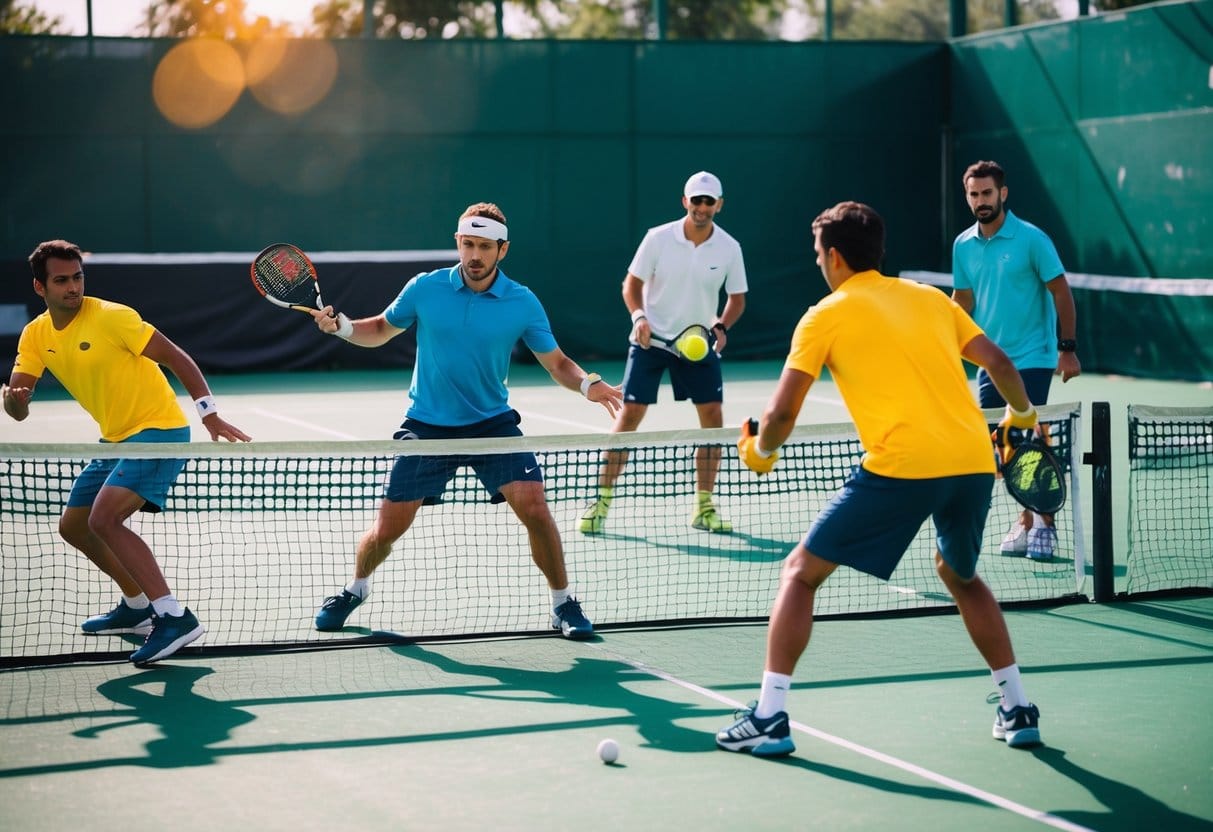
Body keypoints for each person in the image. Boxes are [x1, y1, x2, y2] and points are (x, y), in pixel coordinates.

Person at [716, 202, 1044, 758]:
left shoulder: (824, 314)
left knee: (799, 574)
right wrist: (1023, 419)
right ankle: (1017, 706)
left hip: (901, 466)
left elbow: (779, 415)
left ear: (835, 256)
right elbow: (1002, 366)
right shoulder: (930, 299)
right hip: (969, 461)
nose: (818, 262)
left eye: (819, 253)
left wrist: (760, 450)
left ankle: (769, 716)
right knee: (960, 575)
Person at [309, 202, 623, 639]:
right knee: (386, 529)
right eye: (468, 244)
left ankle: (563, 603)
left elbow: (557, 363)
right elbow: (380, 328)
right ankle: (354, 589)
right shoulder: (426, 288)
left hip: (491, 425)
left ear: (502, 250)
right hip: (427, 425)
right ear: (458, 242)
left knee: (535, 508)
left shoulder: (522, 302)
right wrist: (342, 327)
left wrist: (591, 386)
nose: (475, 255)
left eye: (485, 246)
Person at [2, 239, 252, 666]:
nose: (73, 288)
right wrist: (14, 400)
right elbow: (18, 411)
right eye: (61, 281)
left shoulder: (113, 317)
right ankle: (137, 607)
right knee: (75, 526)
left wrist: (208, 413)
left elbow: (176, 357)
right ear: (40, 288)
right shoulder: (36, 334)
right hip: (116, 439)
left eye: (77, 277)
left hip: (158, 430)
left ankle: (174, 617)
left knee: (105, 519)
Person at [579, 170, 747, 536]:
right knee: (629, 416)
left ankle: (704, 507)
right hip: (650, 342)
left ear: (719, 205)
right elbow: (631, 285)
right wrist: (639, 317)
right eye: (696, 200)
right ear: (685, 202)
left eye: (709, 201)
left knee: (713, 421)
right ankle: (600, 501)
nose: (702, 207)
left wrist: (720, 326)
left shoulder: (730, 247)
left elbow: (737, 298)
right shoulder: (657, 238)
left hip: (697, 344)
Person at [952, 160, 1081, 560]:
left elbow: (1061, 292)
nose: (980, 201)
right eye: (974, 194)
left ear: (1002, 194)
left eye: (987, 193)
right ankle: (1026, 519)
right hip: (990, 360)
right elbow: (963, 302)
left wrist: (1068, 347)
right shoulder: (962, 245)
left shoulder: (1032, 239)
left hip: (1034, 357)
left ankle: (1045, 523)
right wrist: (943, 343)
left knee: (1028, 438)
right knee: (1001, 444)